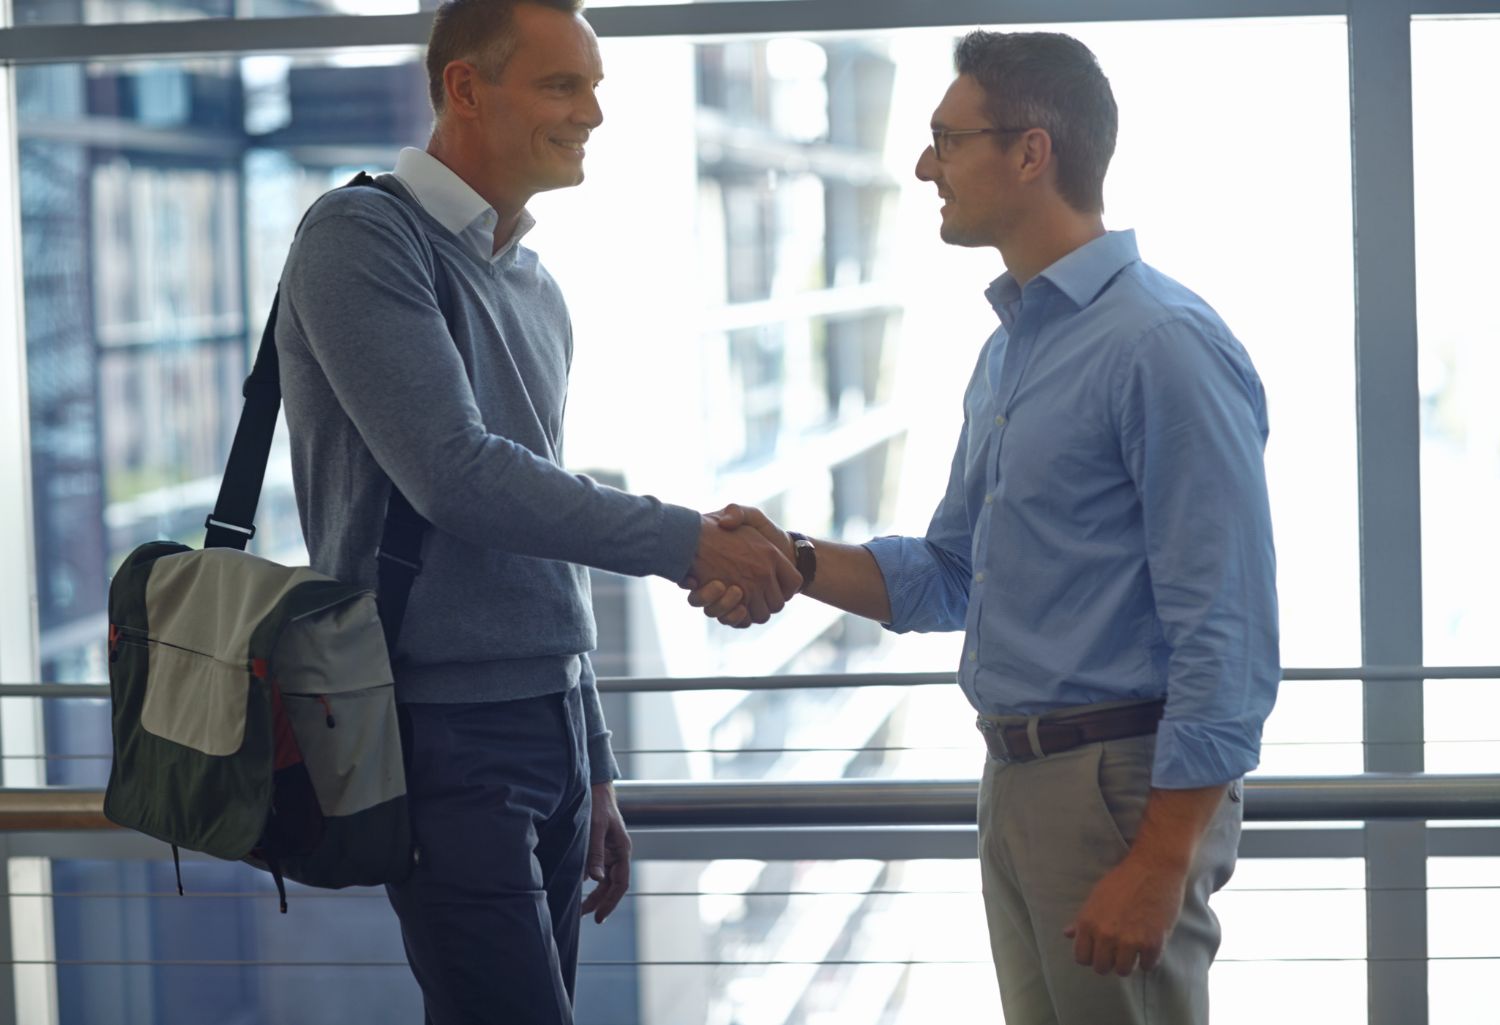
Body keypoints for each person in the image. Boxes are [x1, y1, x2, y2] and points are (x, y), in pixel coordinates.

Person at [692, 30, 1279, 1025]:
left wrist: (1161, 858)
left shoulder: (1163, 343)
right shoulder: (1010, 357)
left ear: (1031, 152)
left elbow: (1228, 626)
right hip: (1015, 783)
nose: (926, 165)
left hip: (1118, 789)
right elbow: (951, 576)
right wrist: (789, 557)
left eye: (945, 138)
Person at [274, 1, 800, 1021]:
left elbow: (535, 524)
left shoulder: (536, 284)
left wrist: (592, 753)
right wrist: (686, 537)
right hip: (436, 727)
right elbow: (458, 475)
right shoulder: (360, 237)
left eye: (595, 87)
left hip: (548, 727)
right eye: (564, 85)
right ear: (466, 88)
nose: (594, 114)